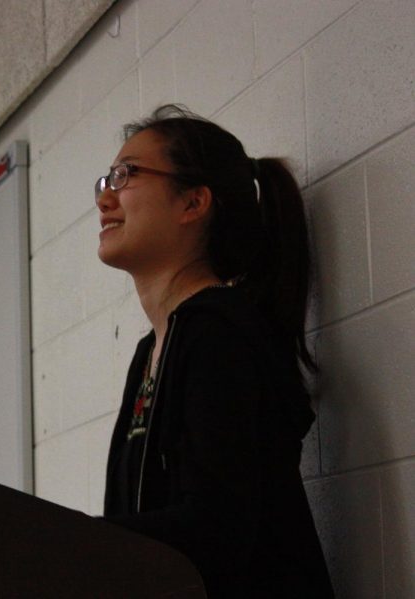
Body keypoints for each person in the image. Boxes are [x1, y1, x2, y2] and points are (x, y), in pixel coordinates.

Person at [96, 105, 334, 597]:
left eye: (126, 175)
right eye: (107, 179)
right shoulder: (151, 352)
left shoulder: (218, 334)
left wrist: (75, 538)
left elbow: (216, 529)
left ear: (193, 203)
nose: (105, 198)